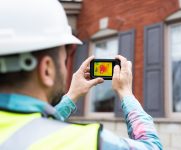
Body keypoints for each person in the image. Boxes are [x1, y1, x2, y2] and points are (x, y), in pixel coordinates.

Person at [0, 0, 162, 149]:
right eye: (64, 60)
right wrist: (126, 93)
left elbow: (33, 124)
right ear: (47, 69)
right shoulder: (86, 142)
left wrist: (72, 95)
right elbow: (152, 146)